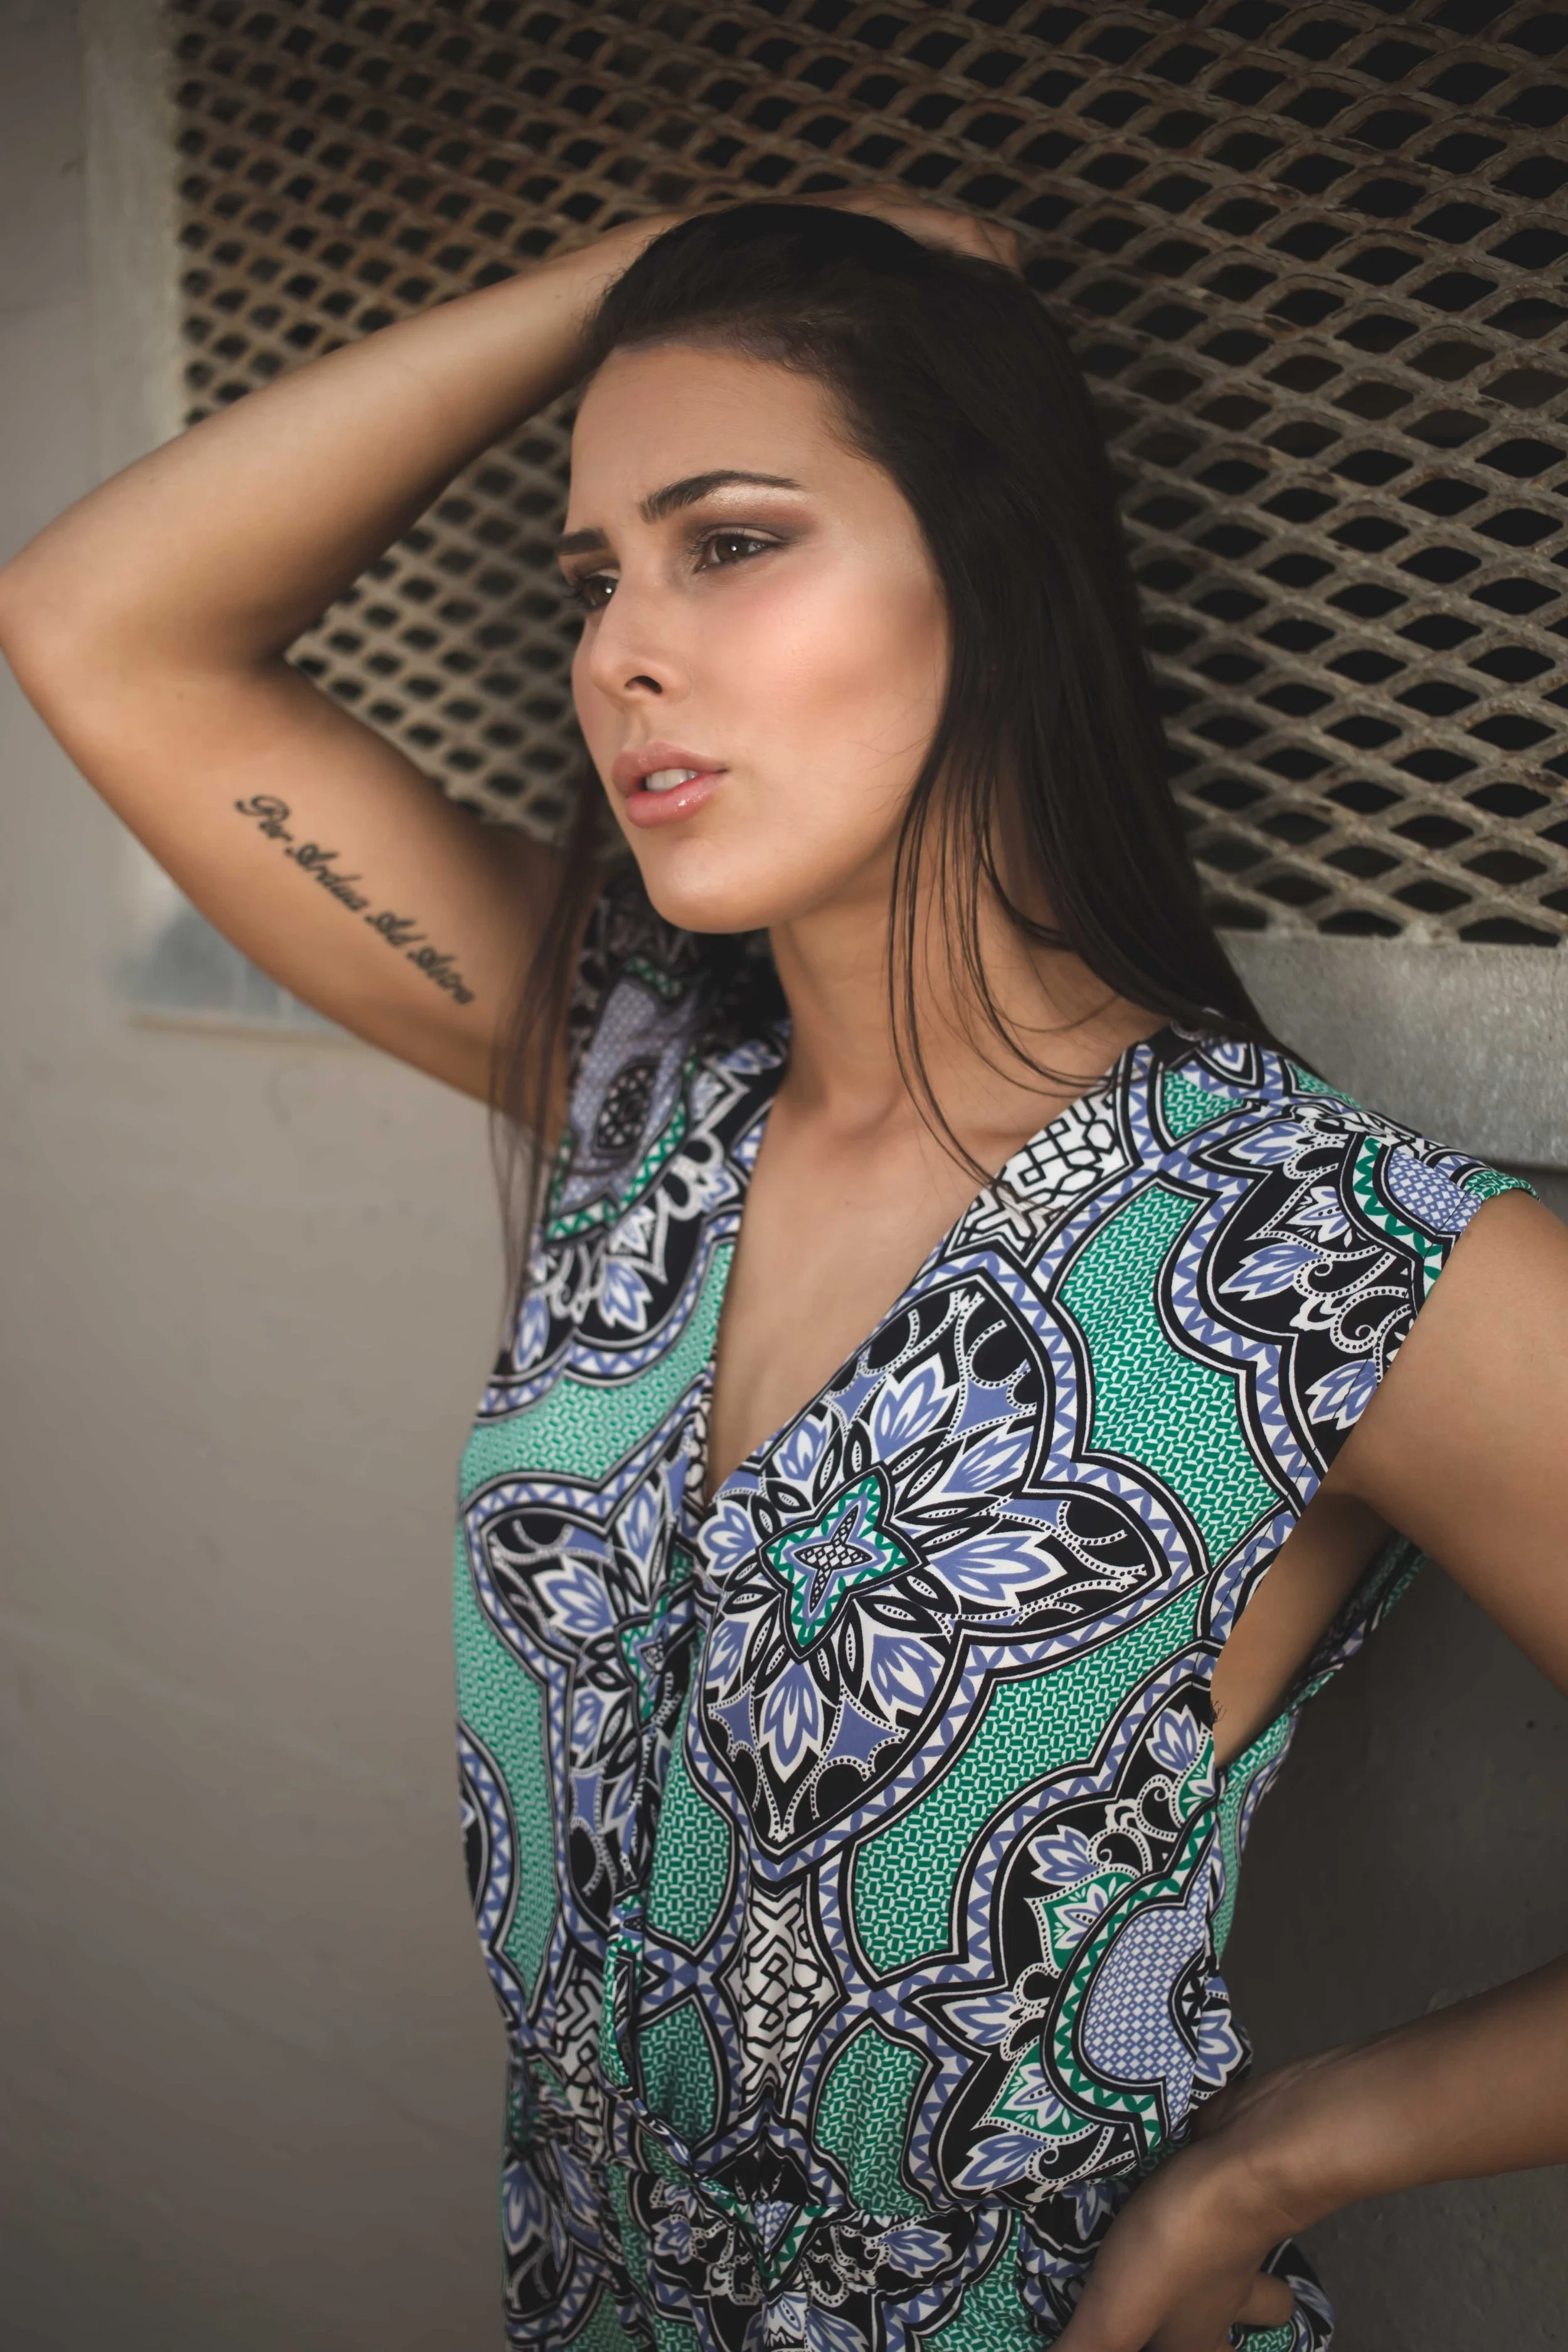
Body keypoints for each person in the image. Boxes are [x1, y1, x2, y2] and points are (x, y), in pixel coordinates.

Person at [0, 191, 1564, 2352]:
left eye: (730, 540)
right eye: (591, 581)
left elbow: (100, 625)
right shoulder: (644, 1094)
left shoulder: (1303, 1248)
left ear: (990, 573)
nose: (620, 650)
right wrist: (644, 268)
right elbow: (96, 624)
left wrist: (1279, 2157)